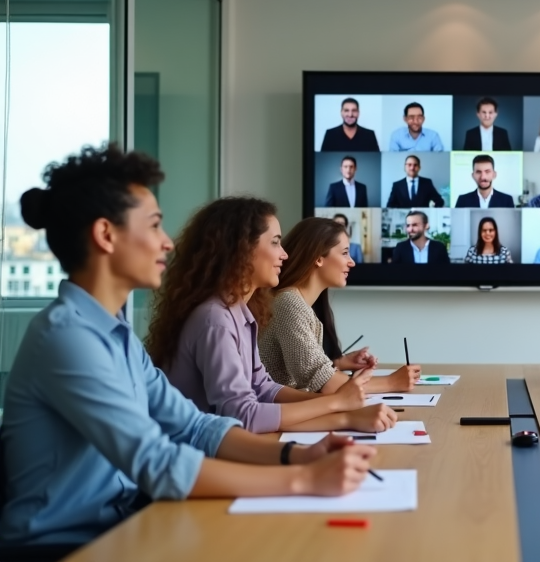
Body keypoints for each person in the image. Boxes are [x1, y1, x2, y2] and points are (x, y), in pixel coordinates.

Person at [0, 144, 376, 551]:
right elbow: (157, 462)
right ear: (106, 235)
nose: (168, 243)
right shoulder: (68, 339)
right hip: (68, 546)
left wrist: (299, 457)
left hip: (125, 522)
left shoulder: (116, 334)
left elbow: (195, 425)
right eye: (154, 226)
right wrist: (304, 480)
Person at [150, 197, 397, 435]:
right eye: (276, 242)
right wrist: (337, 407)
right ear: (243, 250)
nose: (284, 255)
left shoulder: (240, 313)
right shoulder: (216, 320)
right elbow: (244, 416)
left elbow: (264, 389)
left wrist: (342, 409)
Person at [261, 217, 421, 394]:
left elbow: (311, 370)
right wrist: (391, 383)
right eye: (345, 253)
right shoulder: (289, 303)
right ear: (318, 258)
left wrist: (337, 363)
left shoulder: (296, 302)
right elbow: (323, 382)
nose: (351, 262)